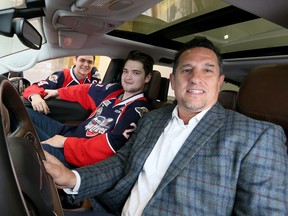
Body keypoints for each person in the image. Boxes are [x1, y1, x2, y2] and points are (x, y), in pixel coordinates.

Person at [43, 36, 288, 216]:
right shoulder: (152, 119)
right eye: (186, 70)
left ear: (220, 82)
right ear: (172, 80)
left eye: (208, 71)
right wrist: (72, 178)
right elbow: (121, 164)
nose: (195, 78)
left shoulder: (259, 137)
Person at [29, 50, 153, 168]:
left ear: (147, 77)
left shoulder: (138, 110)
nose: (128, 77)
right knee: (25, 113)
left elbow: (107, 148)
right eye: (126, 71)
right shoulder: (114, 90)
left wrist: (65, 143)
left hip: (75, 158)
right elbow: (84, 90)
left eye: (135, 73)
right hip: (68, 133)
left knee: (27, 150)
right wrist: (56, 92)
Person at [23, 55, 101, 115]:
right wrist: (35, 96)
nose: (86, 64)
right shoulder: (62, 75)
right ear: (75, 60)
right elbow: (34, 87)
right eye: (82, 60)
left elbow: (97, 96)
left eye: (90, 62)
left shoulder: (94, 75)